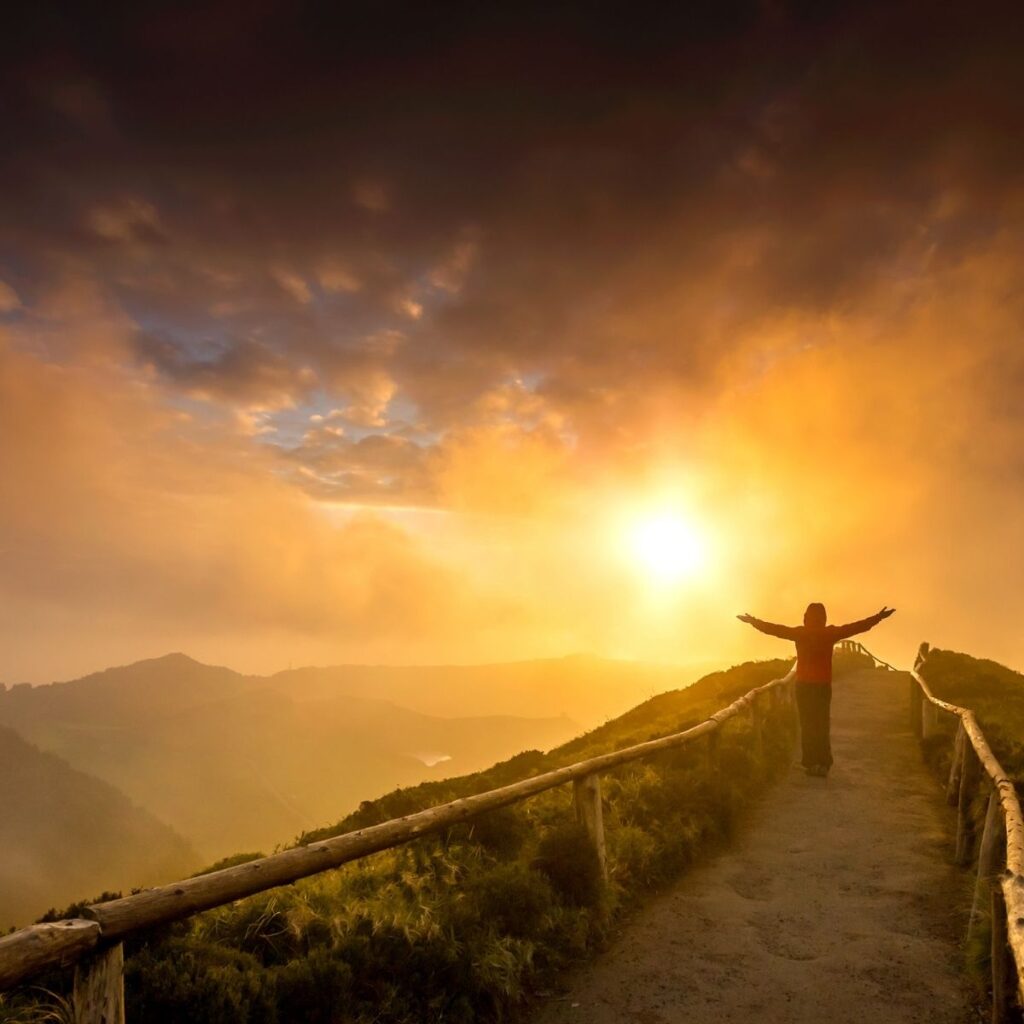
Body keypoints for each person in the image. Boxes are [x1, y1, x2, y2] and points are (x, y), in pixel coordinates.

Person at [736, 603, 895, 777]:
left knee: (807, 725)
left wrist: (753, 621)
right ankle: (823, 763)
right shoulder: (829, 633)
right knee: (822, 724)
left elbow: (774, 629)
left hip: (804, 686)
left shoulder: (800, 633)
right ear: (823, 618)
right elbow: (856, 627)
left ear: (807, 617)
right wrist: (878, 617)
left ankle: (811, 763)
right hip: (822, 686)